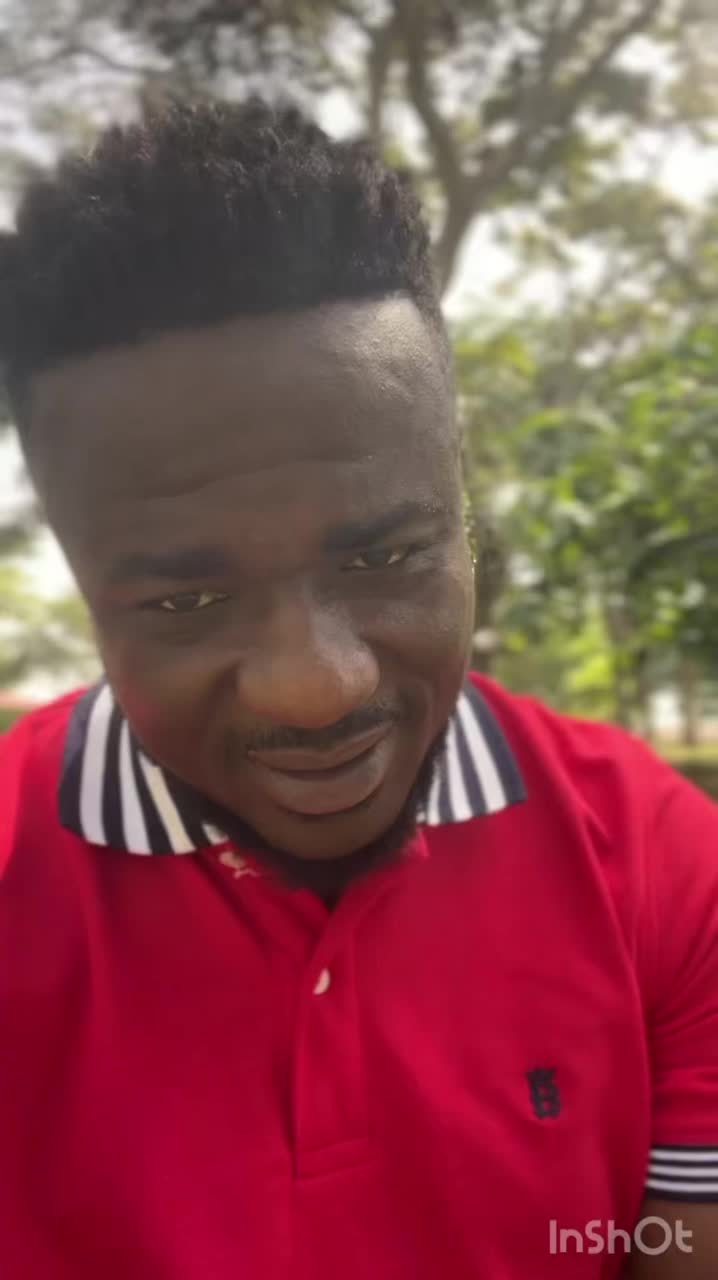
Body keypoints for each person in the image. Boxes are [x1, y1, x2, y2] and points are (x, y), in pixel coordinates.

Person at [0, 97, 716, 1280]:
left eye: (385, 557)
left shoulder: (656, 862)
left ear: (466, 522)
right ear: (83, 585)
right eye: (184, 601)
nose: (315, 688)